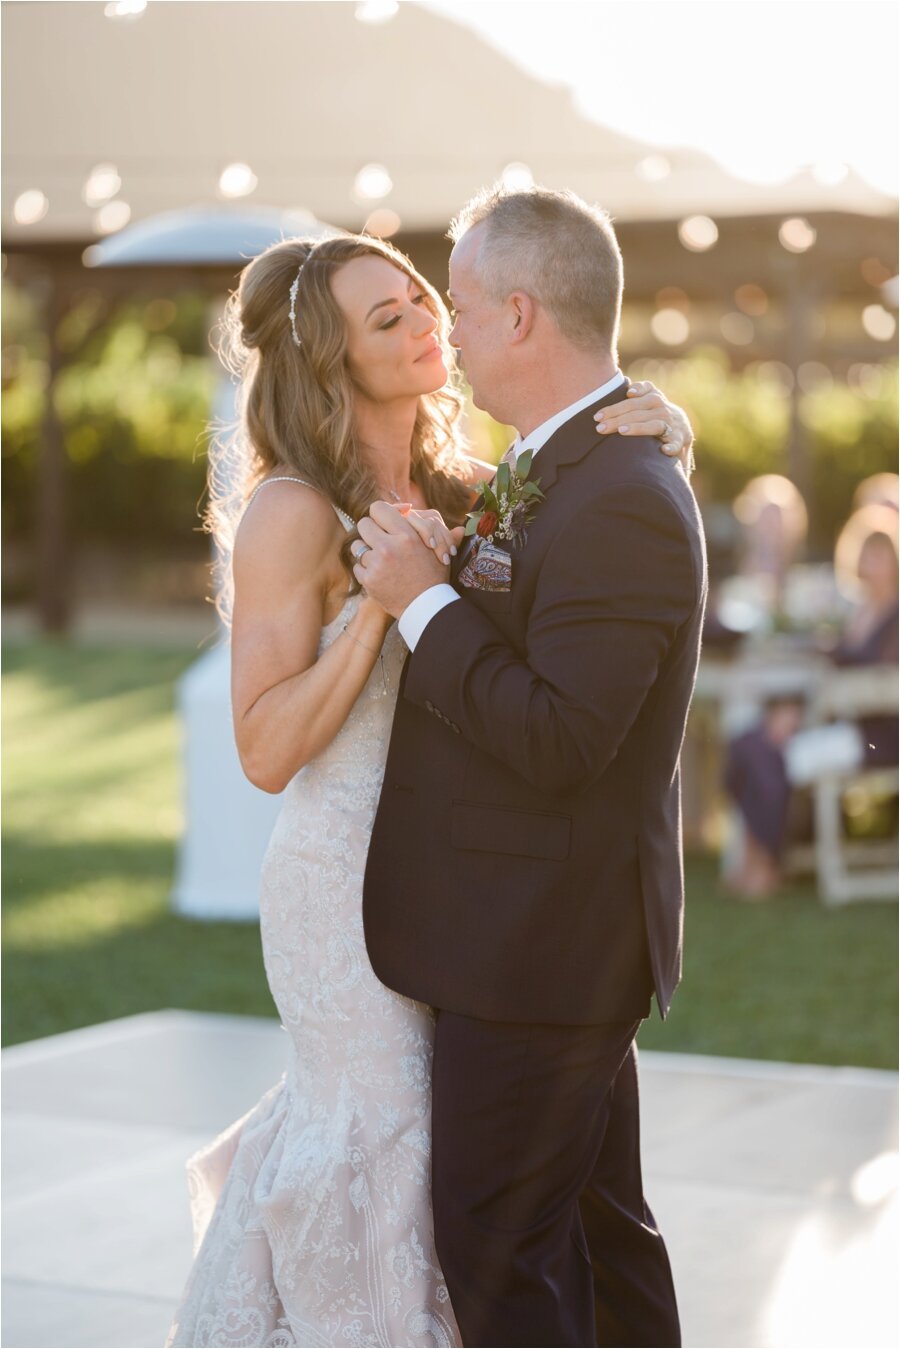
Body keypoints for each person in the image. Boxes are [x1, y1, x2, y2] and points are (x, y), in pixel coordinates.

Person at [164, 224, 695, 1348]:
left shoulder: (477, 486)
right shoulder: (294, 510)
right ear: (330, 356)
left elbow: (592, 535)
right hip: (345, 881)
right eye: (387, 316)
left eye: (421, 297)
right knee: (392, 1154)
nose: (425, 322)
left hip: (484, 897)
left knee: (502, 1192)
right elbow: (264, 750)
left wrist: (662, 423)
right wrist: (378, 606)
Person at [356, 185, 706, 1348]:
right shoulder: (562, 465)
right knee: (604, 1245)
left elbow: (561, 738)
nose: (444, 333)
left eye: (453, 305)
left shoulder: (621, 496)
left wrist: (423, 606)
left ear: (518, 314)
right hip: (547, 937)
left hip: (543, 949)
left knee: (498, 1251)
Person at [724, 505, 898, 898]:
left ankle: (768, 864)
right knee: (746, 742)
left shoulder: (895, 616)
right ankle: (757, 859)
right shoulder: (860, 612)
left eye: (880, 553)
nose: (871, 562)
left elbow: (875, 682)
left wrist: (805, 712)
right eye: (867, 552)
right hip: (841, 723)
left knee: (769, 753)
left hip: (875, 737)